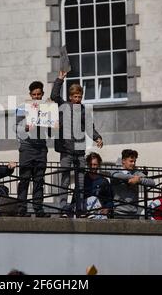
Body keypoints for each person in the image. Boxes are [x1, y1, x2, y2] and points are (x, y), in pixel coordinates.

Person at [51, 71, 103, 217]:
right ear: (70, 97)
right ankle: (63, 208)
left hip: (79, 150)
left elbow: (89, 128)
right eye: (75, 97)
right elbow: (54, 96)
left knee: (80, 182)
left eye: (80, 97)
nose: (78, 99)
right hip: (66, 150)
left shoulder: (84, 111)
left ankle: (80, 209)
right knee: (65, 180)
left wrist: (97, 138)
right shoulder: (64, 105)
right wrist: (59, 80)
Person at [16, 81, 50, 217]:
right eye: (34, 94)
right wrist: (24, 128)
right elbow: (14, 127)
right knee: (24, 178)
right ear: (30, 95)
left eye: (38, 94)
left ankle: (38, 210)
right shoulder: (22, 108)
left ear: (42, 94)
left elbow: (52, 129)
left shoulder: (47, 108)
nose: (36, 96)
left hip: (41, 147)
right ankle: (21, 209)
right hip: (27, 146)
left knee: (39, 180)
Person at [110, 149, 155, 219]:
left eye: (134, 161)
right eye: (131, 161)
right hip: (118, 212)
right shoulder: (116, 170)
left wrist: (138, 180)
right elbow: (115, 176)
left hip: (134, 212)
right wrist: (133, 178)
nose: (133, 163)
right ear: (123, 161)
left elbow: (152, 182)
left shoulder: (136, 172)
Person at [79, 152, 112, 219]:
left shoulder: (104, 181)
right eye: (90, 164)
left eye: (94, 164)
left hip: (99, 212)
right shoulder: (82, 180)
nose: (92, 167)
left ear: (99, 165)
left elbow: (109, 199)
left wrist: (107, 209)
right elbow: (75, 198)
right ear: (87, 165)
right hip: (83, 212)